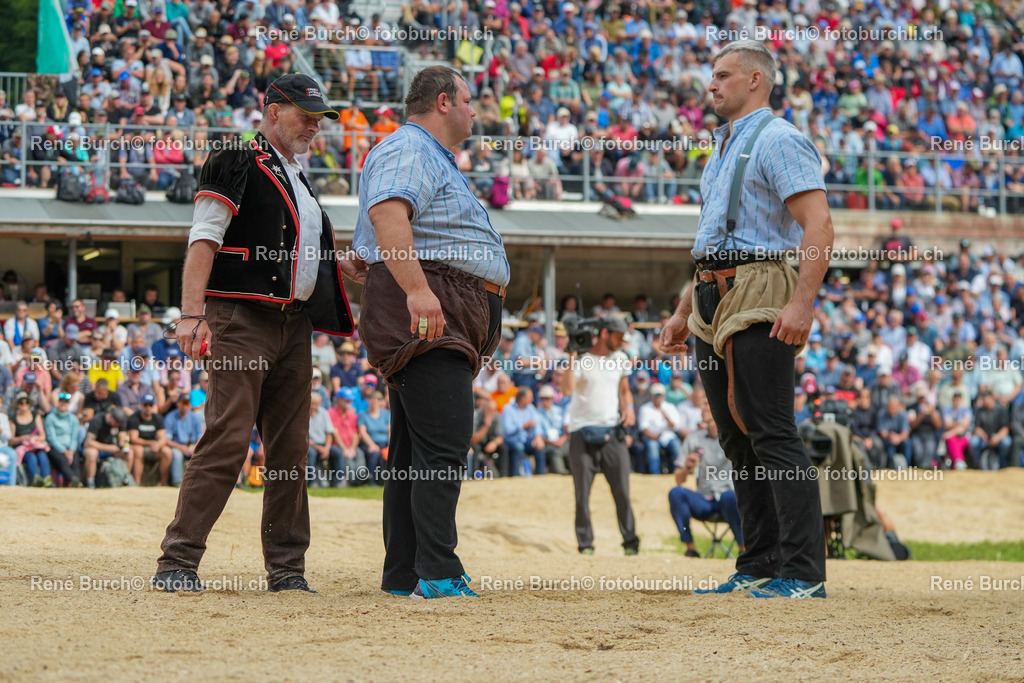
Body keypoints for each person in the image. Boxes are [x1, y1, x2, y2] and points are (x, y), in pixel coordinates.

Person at [154, 74, 362, 594]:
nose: (315, 124)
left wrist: (340, 262)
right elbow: (204, 237)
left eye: (319, 116)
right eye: (305, 114)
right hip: (240, 318)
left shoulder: (296, 174)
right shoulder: (235, 157)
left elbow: (295, 249)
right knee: (227, 436)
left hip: (292, 323)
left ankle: (287, 569)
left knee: (290, 449)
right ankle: (177, 561)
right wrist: (190, 313)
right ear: (272, 111)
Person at [659, 41, 832, 599]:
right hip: (713, 291)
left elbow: (818, 225)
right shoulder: (723, 147)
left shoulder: (779, 139)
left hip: (760, 285)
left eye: (722, 75)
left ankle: (803, 573)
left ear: (757, 80)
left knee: (772, 431)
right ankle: (758, 562)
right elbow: (710, 245)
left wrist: (802, 302)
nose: (711, 85)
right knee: (736, 439)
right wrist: (684, 311)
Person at [354, 65, 509, 599]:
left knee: (412, 453)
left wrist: (373, 265)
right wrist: (419, 291)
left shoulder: (417, 153)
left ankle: (405, 571)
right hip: (431, 305)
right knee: (443, 447)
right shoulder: (411, 148)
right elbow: (390, 212)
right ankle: (438, 570)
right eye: (468, 100)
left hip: (441, 304)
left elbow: (373, 240)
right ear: (443, 102)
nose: (474, 110)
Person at [560, 316, 640, 556]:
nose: (621, 342)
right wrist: (572, 355)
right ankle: (586, 545)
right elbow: (566, 389)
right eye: (618, 337)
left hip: (612, 432)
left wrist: (629, 408)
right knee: (582, 494)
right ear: (605, 333)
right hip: (581, 433)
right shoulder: (582, 360)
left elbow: (624, 390)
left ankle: (630, 543)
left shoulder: (621, 358)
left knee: (623, 492)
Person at [668, 406, 744, 557]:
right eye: (706, 421)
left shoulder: (736, 437)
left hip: (730, 500)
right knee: (676, 492)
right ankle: (690, 548)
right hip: (704, 500)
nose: (710, 425)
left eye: (713, 420)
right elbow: (678, 479)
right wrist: (686, 467)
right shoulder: (694, 439)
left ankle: (744, 550)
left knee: (729, 496)